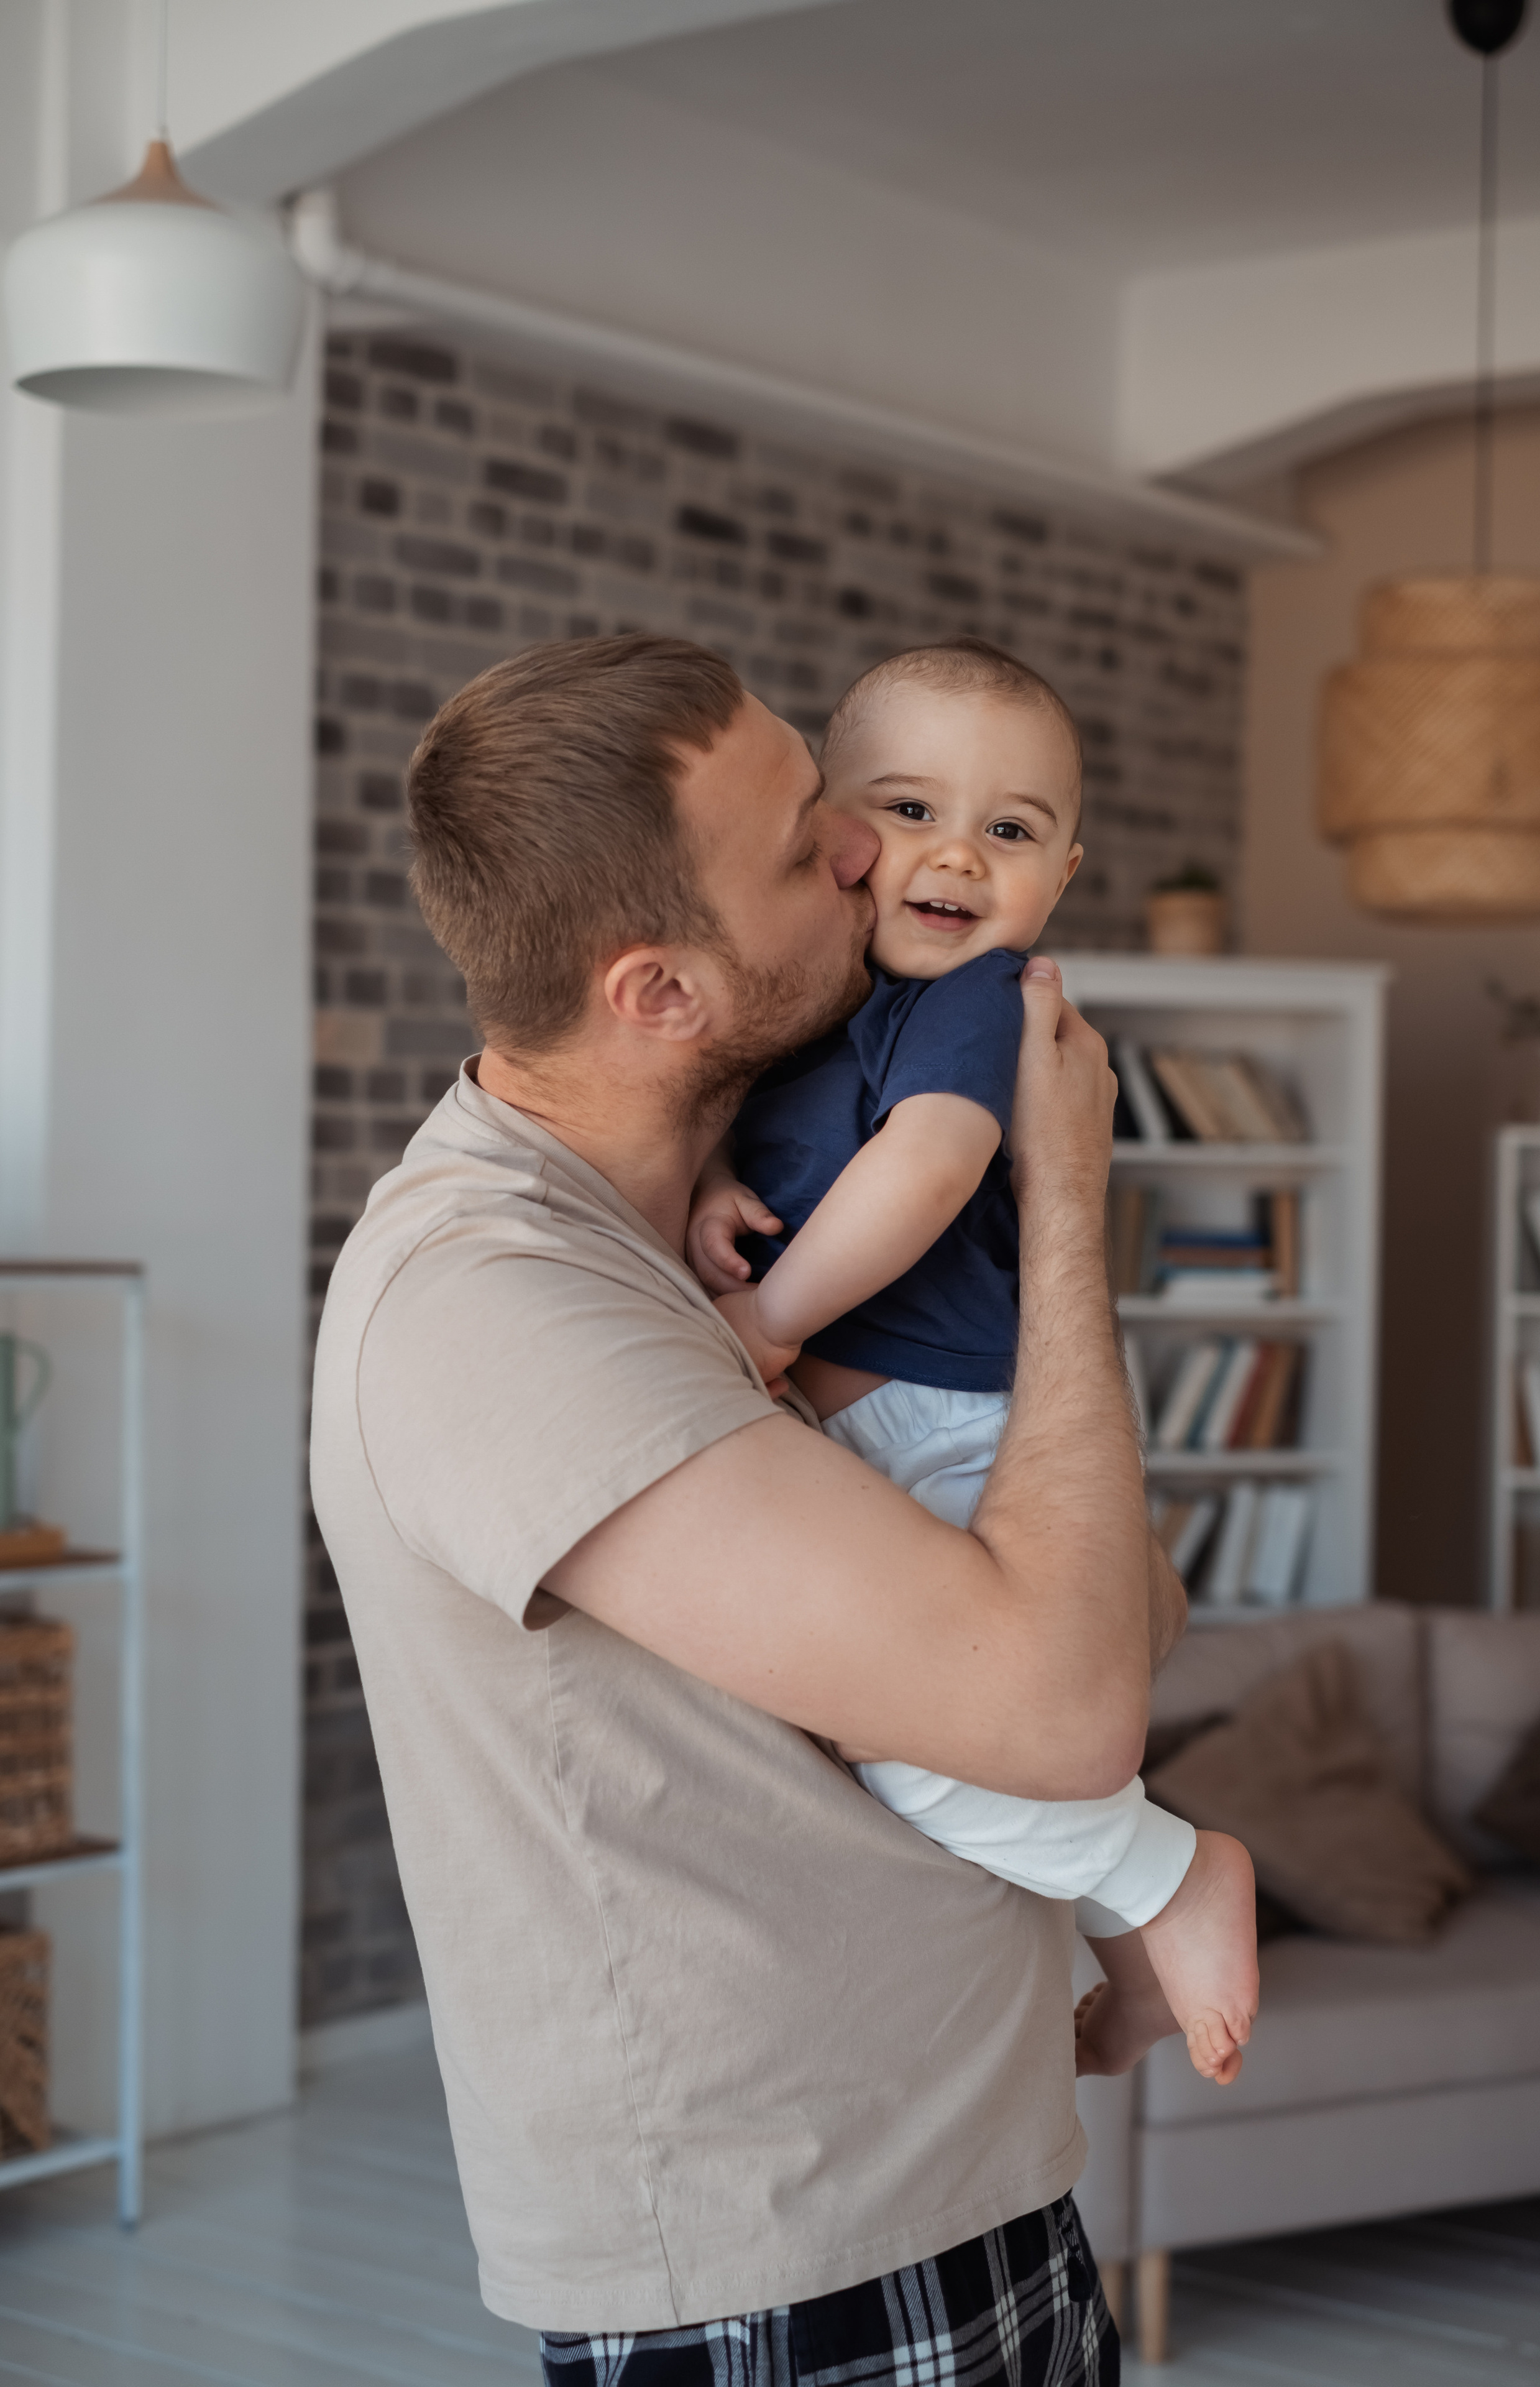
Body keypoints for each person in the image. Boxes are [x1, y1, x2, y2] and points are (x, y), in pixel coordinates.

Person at [309, 633, 1186, 2387]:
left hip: (962, 2158)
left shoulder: (745, 1210)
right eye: (812, 843)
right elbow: (1070, 1700)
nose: (875, 854)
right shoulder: (499, 1303)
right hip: (785, 2247)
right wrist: (1068, 1193)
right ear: (660, 992)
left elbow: (1119, 1613)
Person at [687, 639, 1258, 2089]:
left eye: (1007, 830)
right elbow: (777, 1151)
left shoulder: (972, 1003)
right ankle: (1125, 1978)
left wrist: (769, 1320)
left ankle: (1164, 1878)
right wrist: (708, 1188)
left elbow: (931, 1167)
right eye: (909, 809)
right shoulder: (820, 1013)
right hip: (869, 1429)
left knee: (933, 1734)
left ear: (1061, 870)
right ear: (829, 836)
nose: (955, 855)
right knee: (921, 1741)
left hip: (947, 1413)